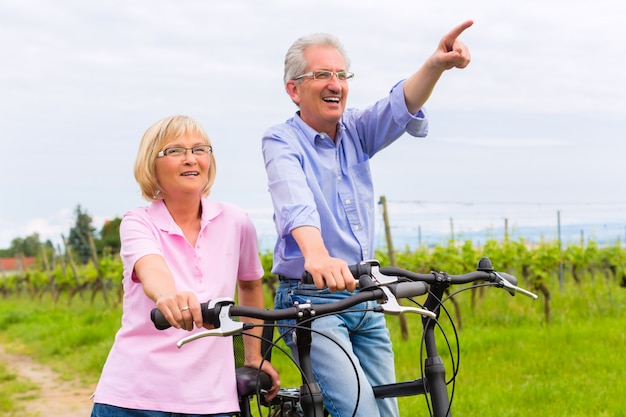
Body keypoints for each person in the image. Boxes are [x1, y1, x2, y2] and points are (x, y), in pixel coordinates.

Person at [261, 21, 473, 417]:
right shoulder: (281, 141)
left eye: (342, 75)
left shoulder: (357, 129)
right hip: (311, 299)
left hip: (365, 295)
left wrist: (436, 65)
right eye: (322, 74)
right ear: (293, 88)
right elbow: (295, 202)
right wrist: (317, 255)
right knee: (360, 412)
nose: (335, 84)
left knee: (388, 412)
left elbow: (400, 107)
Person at [90, 115, 280, 417]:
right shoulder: (139, 222)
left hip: (211, 399)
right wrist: (167, 296)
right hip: (135, 397)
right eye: (175, 151)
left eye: (200, 149)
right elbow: (152, 268)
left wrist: (253, 355)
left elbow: (250, 284)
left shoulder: (236, 221)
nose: (191, 159)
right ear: (151, 164)